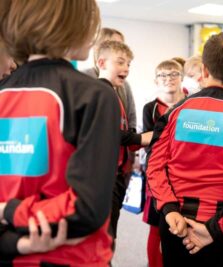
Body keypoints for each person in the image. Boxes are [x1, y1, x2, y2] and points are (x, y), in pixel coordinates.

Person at [0, 0, 121, 266]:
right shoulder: (95, 95)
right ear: (73, 24)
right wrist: (13, 211)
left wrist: (9, 220)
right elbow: (86, 210)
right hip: (75, 259)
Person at [146, 32, 223, 267]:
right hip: (220, 227)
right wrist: (216, 228)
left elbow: (154, 166)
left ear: (204, 70)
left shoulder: (174, 111)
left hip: (175, 224)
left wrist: (169, 210)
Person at [96, 40, 152, 246]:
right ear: (102, 63)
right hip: (105, 178)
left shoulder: (113, 93)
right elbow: (110, 133)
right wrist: (144, 138)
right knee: (105, 237)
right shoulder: (102, 92)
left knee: (111, 234)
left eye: (128, 64)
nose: (126, 68)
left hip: (117, 174)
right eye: (120, 63)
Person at [142, 59, 185, 267]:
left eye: (174, 74)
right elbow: (149, 141)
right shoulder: (150, 108)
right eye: (164, 75)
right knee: (156, 228)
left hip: (184, 175)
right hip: (157, 177)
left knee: (183, 225)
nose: (169, 79)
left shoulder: (192, 102)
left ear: (182, 77)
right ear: (156, 80)